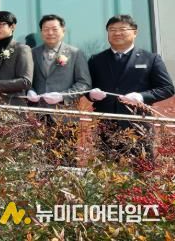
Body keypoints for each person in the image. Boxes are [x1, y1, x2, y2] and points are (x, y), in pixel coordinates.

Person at [87, 14, 174, 159]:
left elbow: (167, 88)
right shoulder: (96, 60)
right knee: (105, 169)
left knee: (141, 168)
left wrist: (141, 96)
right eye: (112, 30)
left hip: (138, 125)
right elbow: (86, 87)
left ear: (135, 32)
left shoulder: (151, 59)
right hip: (105, 125)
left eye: (122, 29)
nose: (117, 33)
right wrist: (91, 94)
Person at [26, 14, 91, 165]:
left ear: (63, 30)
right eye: (46, 29)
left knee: (66, 161)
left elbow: (84, 83)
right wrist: (30, 90)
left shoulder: (75, 53)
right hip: (38, 115)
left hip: (65, 116)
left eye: (54, 29)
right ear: (41, 32)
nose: (50, 33)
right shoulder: (32, 53)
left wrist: (63, 96)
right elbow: (27, 78)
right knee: (38, 161)